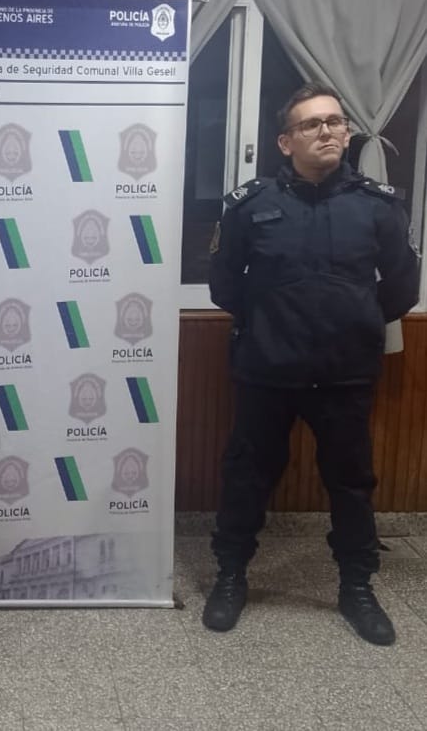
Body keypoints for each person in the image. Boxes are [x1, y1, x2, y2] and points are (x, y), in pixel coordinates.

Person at [204, 83, 419, 645]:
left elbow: (402, 287)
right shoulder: (250, 206)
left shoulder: (377, 206)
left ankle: (357, 587)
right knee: (247, 476)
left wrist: (355, 320)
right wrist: (271, 322)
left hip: (345, 373)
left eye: (335, 121)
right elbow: (224, 285)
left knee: (351, 483)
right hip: (267, 370)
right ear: (286, 141)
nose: (327, 131)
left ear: (347, 133)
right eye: (311, 124)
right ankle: (230, 576)